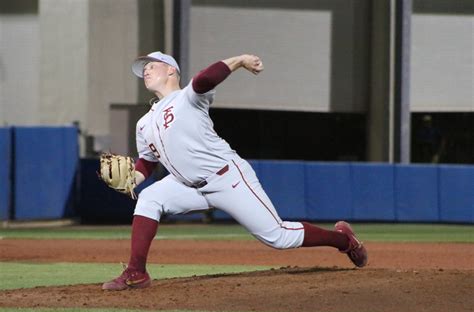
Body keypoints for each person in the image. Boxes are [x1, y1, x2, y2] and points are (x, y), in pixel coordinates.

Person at [102, 51, 368, 290]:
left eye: (152, 65)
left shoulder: (189, 98)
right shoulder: (143, 123)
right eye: (143, 69)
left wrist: (239, 61)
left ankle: (344, 240)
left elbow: (205, 79)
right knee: (150, 198)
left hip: (226, 178)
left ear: (171, 70)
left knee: (279, 237)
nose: (146, 71)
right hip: (186, 185)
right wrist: (131, 181)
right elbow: (147, 162)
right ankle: (136, 272)